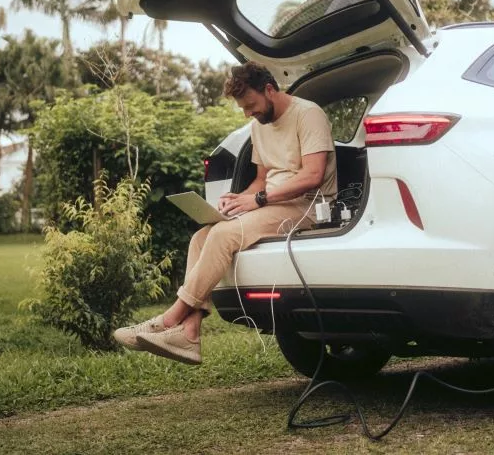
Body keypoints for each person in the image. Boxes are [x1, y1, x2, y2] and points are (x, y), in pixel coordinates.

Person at [113, 61, 337, 365]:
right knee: (201, 238)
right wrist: (238, 199)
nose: (248, 114)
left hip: (308, 205)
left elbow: (312, 175)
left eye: (251, 105)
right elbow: (262, 178)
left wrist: (257, 200)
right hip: (272, 203)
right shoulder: (260, 126)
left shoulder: (308, 114)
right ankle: (190, 333)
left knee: (223, 234)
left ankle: (169, 321)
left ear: (269, 89)